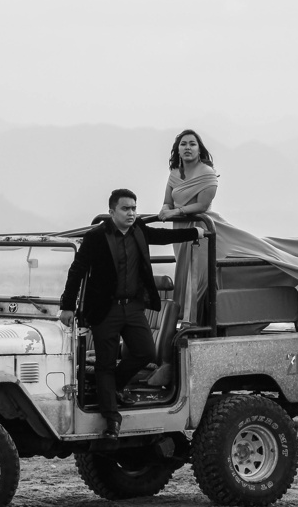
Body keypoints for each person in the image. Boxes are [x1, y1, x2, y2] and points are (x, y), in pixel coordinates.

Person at [59, 188, 203, 444]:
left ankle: (112, 387)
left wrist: (194, 232)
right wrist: (67, 305)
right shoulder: (96, 237)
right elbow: (77, 270)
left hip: (134, 307)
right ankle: (112, 419)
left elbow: (162, 235)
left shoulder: (139, 230)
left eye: (134, 208)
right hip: (106, 310)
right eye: (126, 209)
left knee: (145, 351)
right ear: (112, 211)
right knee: (104, 363)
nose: (132, 213)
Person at [157, 129, 219, 322]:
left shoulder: (207, 174)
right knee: (184, 273)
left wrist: (175, 212)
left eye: (192, 144)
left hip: (202, 229)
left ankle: (194, 323)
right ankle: (187, 320)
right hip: (180, 231)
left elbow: (202, 205)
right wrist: (164, 209)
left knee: (198, 278)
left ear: (199, 149)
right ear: (177, 149)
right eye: (183, 144)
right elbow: (168, 200)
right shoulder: (174, 174)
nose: (187, 148)